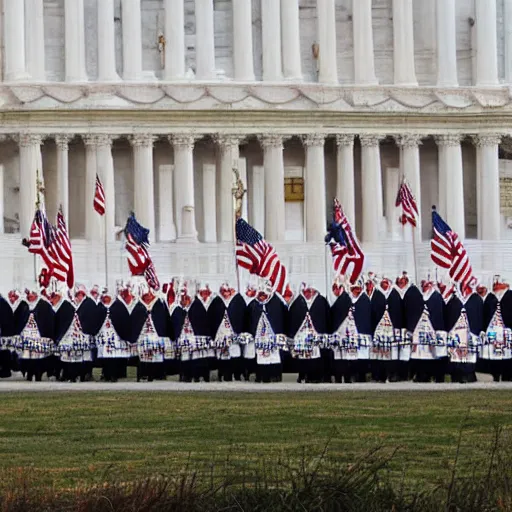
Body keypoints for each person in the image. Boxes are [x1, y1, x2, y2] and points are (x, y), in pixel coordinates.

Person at [247, 281, 288, 383]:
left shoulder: (277, 303)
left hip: (273, 335)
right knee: (261, 356)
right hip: (260, 336)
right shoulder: (253, 305)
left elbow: (284, 318)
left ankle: (275, 376)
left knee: (274, 356)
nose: (262, 298)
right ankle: (261, 376)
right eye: (260, 295)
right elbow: (249, 320)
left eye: (264, 295)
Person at [288, 283, 329, 383]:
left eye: (309, 291)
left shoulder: (321, 301)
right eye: (305, 291)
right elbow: (292, 319)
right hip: (301, 334)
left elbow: (327, 318)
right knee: (302, 356)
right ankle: (302, 375)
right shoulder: (297, 302)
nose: (307, 294)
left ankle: (315, 377)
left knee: (315, 356)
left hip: (315, 334)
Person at [208, 283, 247, 382]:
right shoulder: (216, 301)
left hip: (233, 332)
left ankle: (237, 375)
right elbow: (211, 317)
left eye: (227, 291)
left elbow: (243, 316)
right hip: (220, 333)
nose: (225, 294)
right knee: (222, 354)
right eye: (223, 291)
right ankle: (223, 374)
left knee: (235, 353)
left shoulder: (238, 300)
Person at [18, 289, 55, 381]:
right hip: (26, 334)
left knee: (38, 356)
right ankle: (29, 373)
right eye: (29, 295)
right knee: (27, 356)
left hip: (39, 335)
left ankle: (38, 373)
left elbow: (49, 321)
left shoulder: (44, 305)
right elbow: (18, 319)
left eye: (32, 294)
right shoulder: (23, 305)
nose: (30, 296)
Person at [131, 284, 167, 382]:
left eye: (150, 294)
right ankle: (142, 375)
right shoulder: (139, 305)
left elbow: (162, 318)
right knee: (142, 355)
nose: (148, 296)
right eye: (146, 294)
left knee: (154, 354)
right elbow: (135, 320)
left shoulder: (158, 303)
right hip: (142, 334)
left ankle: (153, 375)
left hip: (155, 334)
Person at [329, 278, 352, 383]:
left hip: (341, 331)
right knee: (343, 356)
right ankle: (345, 378)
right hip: (342, 332)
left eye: (335, 288)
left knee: (341, 356)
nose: (334, 292)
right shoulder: (345, 299)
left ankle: (341, 378)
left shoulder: (343, 300)